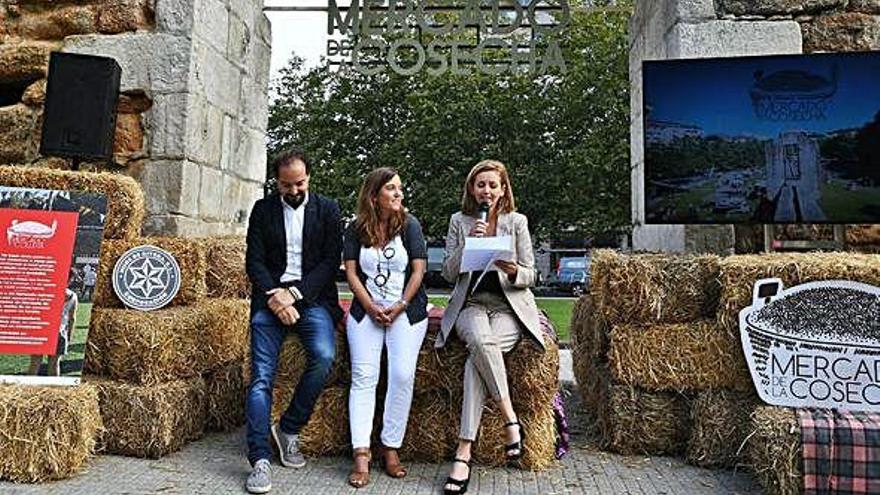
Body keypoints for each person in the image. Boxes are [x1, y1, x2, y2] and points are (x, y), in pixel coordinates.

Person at [436, 160, 546, 495]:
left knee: (477, 359)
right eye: (480, 185)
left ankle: (463, 452)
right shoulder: (459, 221)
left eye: (492, 185)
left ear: (502, 189)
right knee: (480, 343)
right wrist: (469, 243)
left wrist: (512, 270)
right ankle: (511, 419)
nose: (486, 191)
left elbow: (532, 274)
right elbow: (448, 274)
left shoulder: (517, 222)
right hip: (470, 306)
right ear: (472, 189)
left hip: (508, 310)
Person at [244, 148, 343, 494]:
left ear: (309, 178)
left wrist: (295, 295)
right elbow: (253, 262)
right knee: (261, 379)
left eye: (299, 183)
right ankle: (259, 459)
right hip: (270, 299)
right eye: (286, 185)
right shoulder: (263, 209)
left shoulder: (328, 210)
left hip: (311, 299)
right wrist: (275, 296)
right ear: (277, 182)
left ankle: (288, 428)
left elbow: (330, 263)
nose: (294, 190)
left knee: (324, 356)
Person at [342, 167, 429, 488]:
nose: (399, 194)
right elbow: (351, 273)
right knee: (364, 377)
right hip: (367, 313)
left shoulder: (410, 224)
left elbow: (419, 271)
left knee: (402, 375)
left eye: (400, 189)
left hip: (405, 311)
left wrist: (400, 305)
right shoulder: (355, 228)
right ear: (374, 195)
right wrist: (369, 305)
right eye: (391, 189)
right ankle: (361, 454)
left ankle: (391, 447)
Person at [29, 282, 77, 377]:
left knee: (35, 363)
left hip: (42, 331)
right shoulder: (73, 296)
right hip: (60, 332)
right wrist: (69, 336)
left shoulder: (45, 290)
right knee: (54, 364)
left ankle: (26, 389)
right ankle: (54, 390)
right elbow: (72, 318)